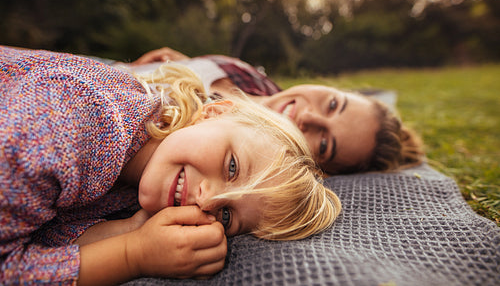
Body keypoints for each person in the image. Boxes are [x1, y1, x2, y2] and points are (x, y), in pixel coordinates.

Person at [0, 46, 341, 285]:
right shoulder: (69, 120)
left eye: (226, 216)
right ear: (215, 111)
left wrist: (130, 229)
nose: (208, 201)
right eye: (232, 167)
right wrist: (132, 254)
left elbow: (44, 230)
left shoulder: (144, 173)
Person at [120, 47, 425, 175]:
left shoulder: (218, 149)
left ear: (319, 169)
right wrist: (178, 66)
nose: (309, 117)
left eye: (324, 143)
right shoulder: (254, 78)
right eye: (332, 104)